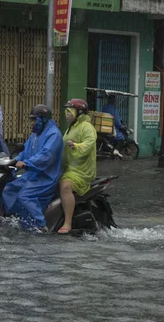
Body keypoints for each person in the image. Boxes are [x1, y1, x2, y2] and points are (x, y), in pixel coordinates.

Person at [1, 105, 63, 231]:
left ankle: (41, 225)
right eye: (32, 120)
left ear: (44, 120)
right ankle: (16, 219)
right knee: (8, 189)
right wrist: (13, 161)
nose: (32, 123)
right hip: (32, 174)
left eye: (35, 120)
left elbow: (46, 155)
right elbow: (25, 151)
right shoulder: (35, 134)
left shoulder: (54, 134)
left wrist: (27, 163)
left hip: (46, 177)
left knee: (25, 196)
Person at [58, 99, 97, 234]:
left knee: (65, 186)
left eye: (70, 111)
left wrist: (76, 146)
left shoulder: (86, 126)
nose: (67, 114)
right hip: (69, 167)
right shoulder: (71, 127)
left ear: (79, 112)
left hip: (81, 170)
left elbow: (89, 143)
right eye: (66, 111)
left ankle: (67, 222)